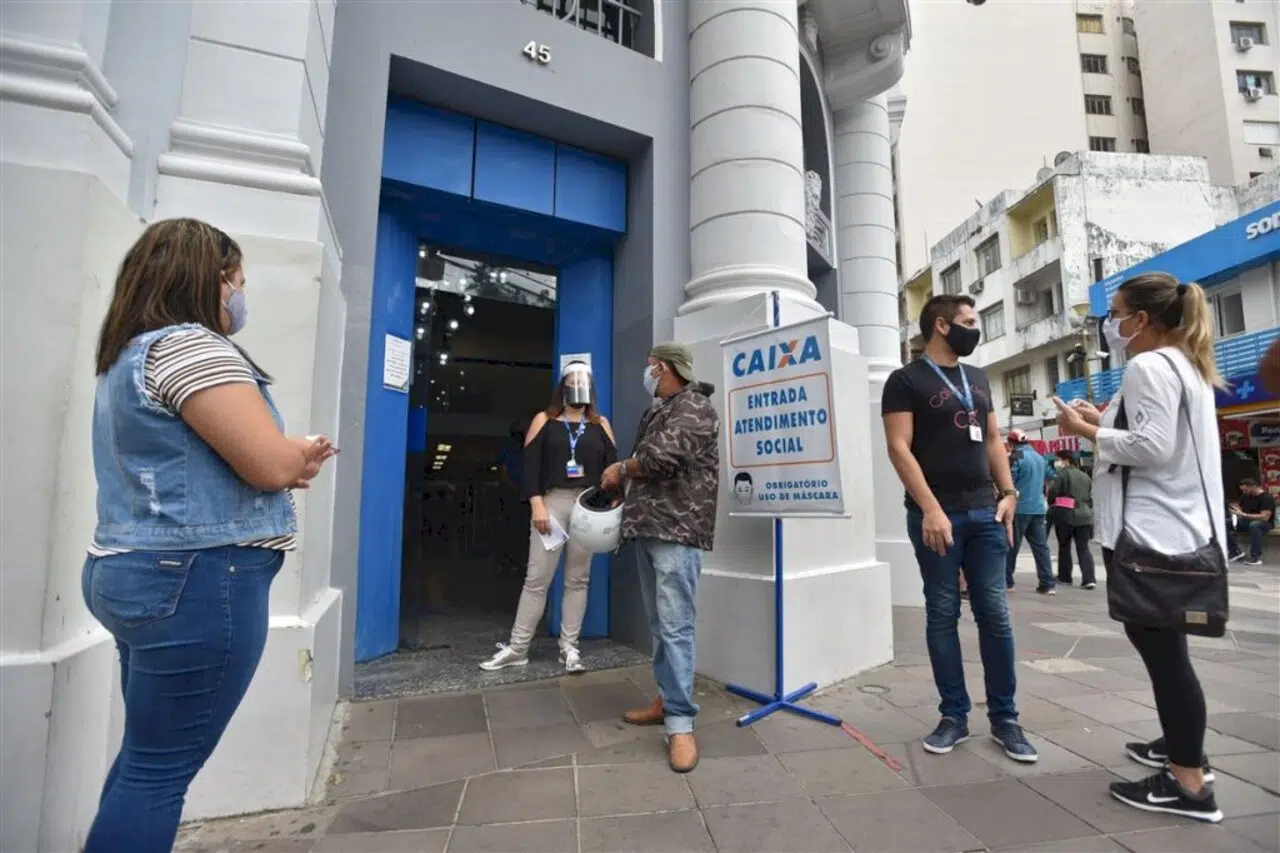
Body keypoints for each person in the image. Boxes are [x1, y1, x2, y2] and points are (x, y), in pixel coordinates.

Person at [81, 219, 338, 852]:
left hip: (132, 568)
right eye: (238, 282)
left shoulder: (128, 355)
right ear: (211, 279)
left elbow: (194, 457)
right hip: (196, 581)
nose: (240, 297)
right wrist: (294, 458)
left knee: (146, 761)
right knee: (158, 775)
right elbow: (267, 464)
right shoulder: (192, 346)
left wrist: (280, 461)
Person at [1053, 271, 1225, 823]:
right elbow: (1156, 436)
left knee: (1165, 657)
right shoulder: (1185, 364)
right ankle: (1179, 745)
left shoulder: (1148, 365)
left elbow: (1152, 447)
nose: (1112, 325)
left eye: (1117, 314)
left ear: (1141, 319)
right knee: (1168, 652)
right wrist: (1102, 420)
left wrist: (1084, 431)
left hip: (1152, 536)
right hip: (1177, 530)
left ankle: (1189, 782)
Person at [882, 294, 1038, 763]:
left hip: (985, 513)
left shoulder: (978, 378)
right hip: (936, 517)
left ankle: (1006, 719)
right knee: (942, 612)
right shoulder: (904, 380)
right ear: (942, 325)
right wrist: (930, 509)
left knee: (995, 613)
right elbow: (898, 447)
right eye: (969, 320)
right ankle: (954, 715)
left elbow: (992, 439)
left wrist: (1008, 493)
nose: (976, 328)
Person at [601, 343, 719, 773]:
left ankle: (681, 724)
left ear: (665, 368)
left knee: (676, 626)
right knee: (660, 626)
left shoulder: (694, 406)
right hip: (651, 527)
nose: (646, 372)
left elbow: (661, 459)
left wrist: (620, 469)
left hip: (677, 530)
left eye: (650, 366)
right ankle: (667, 700)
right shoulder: (660, 410)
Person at [480, 362, 616, 674]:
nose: (578, 384)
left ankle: (569, 647)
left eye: (584, 379)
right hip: (552, 503)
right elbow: (531, 467)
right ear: (563, 385)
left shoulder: (600, 424)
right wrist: (537, 505)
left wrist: (609, 506)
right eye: (573, 378)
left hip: (587, 507)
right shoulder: (545, 420)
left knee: (578, 579)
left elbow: (612, 470)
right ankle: (518, 647)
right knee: (537, 578)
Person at [1004, 430, 1056, 594]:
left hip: (1019, 508)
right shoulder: (1039, 457)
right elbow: (1051, 475)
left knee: (1012, 545)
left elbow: (1009, 481)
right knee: (1041, 547)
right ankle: (1047, 583)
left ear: (1011, 443)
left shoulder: (1016, 456)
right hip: (1038, 508)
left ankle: (1007, 581)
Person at [1048, 451, 1096, 588]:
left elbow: (1054, 492)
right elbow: (1090, 496)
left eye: (1059, 459)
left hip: (1066, 514)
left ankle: (1065, 577)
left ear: (1066, 460)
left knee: (1064, 546)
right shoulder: (1085, 476)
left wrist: (1051, 503)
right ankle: (1089, 579)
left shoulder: (1062, 474)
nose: (1057, 463)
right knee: (1083, 548)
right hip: (1085, 515)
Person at [1227, 478, 1274, 566]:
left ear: (1253, 487)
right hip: (1246, 521)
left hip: (1264, 523)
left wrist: (1244, 514)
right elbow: (1241, 510)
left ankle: (1256, 557)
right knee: (1225, 523)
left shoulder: (1266, 498)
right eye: (1242, 490)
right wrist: (1235, 510)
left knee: (1255, 525)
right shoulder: (1246, 496)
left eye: (1246, 490)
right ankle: (1235, 552)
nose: (1244, 492)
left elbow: (1265, 517)